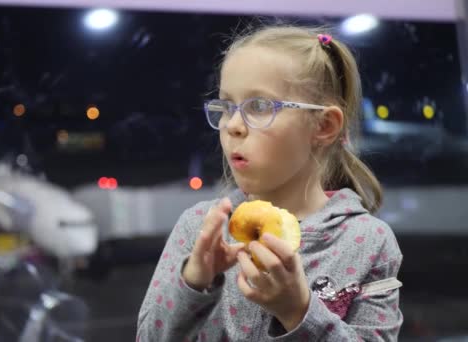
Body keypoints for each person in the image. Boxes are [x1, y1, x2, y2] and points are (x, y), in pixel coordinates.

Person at [136, 25, 403, 341]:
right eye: (226, 106)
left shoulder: (368, 242)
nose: (232, 125)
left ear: (324, 125)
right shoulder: (200, 228)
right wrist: (192, 283)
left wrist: (298, 311)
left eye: (259, 107)